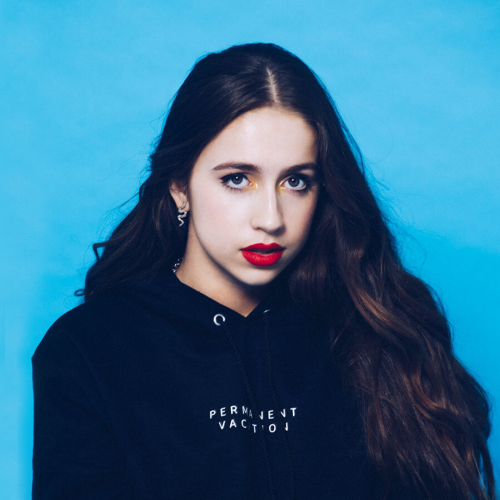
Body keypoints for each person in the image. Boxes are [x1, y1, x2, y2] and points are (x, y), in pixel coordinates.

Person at [31, 43, 495, 500]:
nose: (271, 218)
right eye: (237, 179)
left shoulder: (376, 333)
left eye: (296, 181)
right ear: (179, 186)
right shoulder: (89, 348)